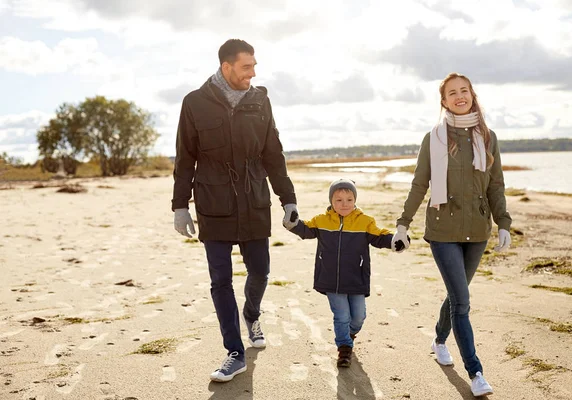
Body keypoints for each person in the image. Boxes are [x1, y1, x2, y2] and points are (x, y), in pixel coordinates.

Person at [171, 39, 298, 383]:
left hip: (255, 199)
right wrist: (180, 206)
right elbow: (185, 158)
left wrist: (288, 199)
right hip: (214, 204)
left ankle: (252, 313)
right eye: (246, 67)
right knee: (220, 281)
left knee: (261, 271)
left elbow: (274, 153)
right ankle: (234, 352)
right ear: (227, 68)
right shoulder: (194, 103)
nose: (253, 73)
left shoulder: (261, 101)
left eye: (254, 66)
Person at [392, 72, 512, 397]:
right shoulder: (433, 139)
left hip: (477, 230)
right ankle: (475, 372)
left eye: (464, 91)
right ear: (443, 101)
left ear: (472, 95)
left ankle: (439, 339)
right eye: (452, 93)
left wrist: (503, 222)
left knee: (456, 297)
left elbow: (496, 185)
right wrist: (403, 223)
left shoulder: (488, 137)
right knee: (463, 302)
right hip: (442, 230)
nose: (459, 96)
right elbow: (420, 184)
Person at [284, 179, 394, 367]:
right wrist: (292, 223)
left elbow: (379, 236)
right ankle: (344, 348)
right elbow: (305, 229)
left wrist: (395, 240)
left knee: (358, 317)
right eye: (339, 200)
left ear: (355, 200)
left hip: (356, 278)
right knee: (341, 315)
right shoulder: (322, 220)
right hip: (330, 279)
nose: (345, 204)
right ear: (331, 201)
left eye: (349, 200)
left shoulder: (365, 222)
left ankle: (349, 334)